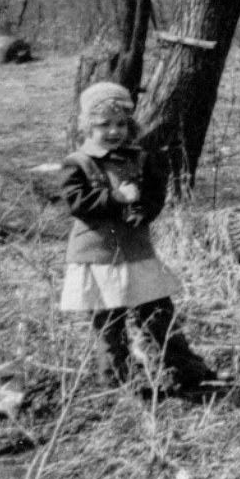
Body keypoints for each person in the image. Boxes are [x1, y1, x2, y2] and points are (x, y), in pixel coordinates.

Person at [58, 82, 215, 393]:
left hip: (137, 253)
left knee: (158, 314)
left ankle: (185, 372)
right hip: (99, 256)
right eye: (104, 125)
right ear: (88, 126)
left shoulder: (139, 158)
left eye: (121, 124)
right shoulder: (78, 162)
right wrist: (116, 197)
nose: (114, 131)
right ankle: (117, 383)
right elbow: (78, 204)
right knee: (110, 324)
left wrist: (146, 209)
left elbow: (156, 192)